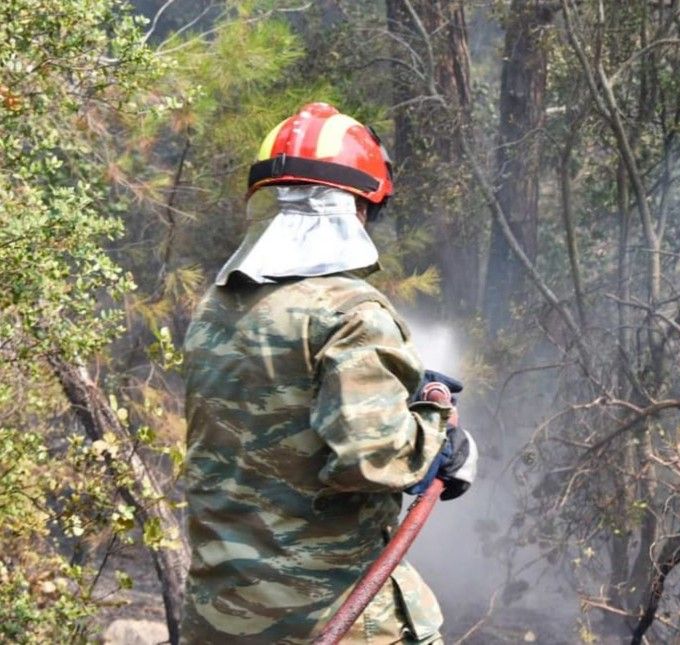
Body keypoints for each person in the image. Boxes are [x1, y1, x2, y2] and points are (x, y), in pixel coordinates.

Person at [180, 102, 476, 644]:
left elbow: (273, 410)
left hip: (220, 621)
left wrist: (386, 388)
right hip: (335, 623)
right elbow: (375, 459)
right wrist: (436, 426)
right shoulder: (351, 312)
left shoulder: (215, 310)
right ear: (356, 209)